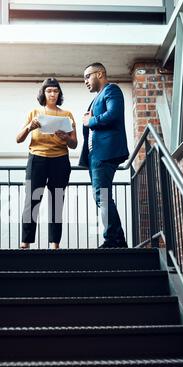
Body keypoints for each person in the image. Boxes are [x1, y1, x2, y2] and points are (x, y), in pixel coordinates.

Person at [17, 77, 77, 250]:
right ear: (43, 93)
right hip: (37, 159)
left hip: (60, 160)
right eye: (49, 91)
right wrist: (29, 127)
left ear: (59, 94)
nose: (52, 94)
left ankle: (54, 244)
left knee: (57, 201)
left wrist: (66, 137)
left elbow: (74, 144)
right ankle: (25, 242)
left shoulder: (67, 114)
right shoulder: (34, 113)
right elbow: (18, 139)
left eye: (56, 91)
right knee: (32, 200)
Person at [79, 62, 129, 248]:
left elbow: (114, 114)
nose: (85, 81)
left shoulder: (111, 90)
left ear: (100, 74)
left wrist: (89, 120)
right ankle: (117, 238)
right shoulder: (95, 99)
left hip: (105, 152)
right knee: (101, 195)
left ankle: (114, 239)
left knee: (102, 195)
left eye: (87, 76)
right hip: (95, 156)